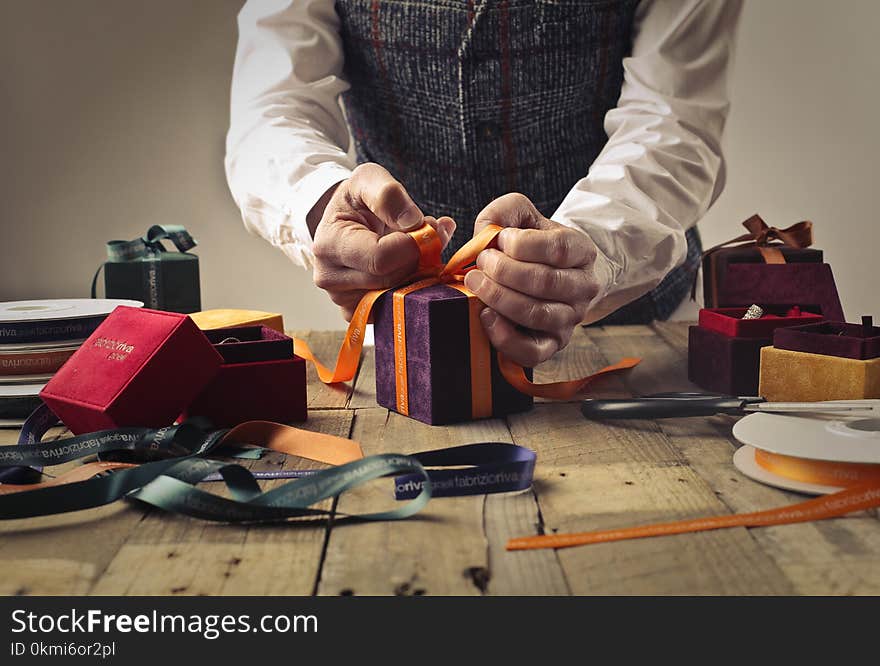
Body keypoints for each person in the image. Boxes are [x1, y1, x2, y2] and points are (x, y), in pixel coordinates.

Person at [225, 0, 742, 367]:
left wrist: (595, 250)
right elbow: (272, 104)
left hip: (642, 337)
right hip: (410, 341)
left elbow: (675, 116)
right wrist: (319, 205)